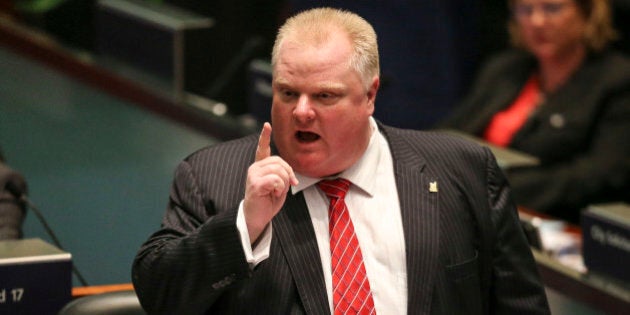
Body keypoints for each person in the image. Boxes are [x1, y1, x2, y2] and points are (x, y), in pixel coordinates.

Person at [132, 7, 550, 314]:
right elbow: (159, 295)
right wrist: (246, 223)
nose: (301, 112)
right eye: (288, 93)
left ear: (370, 95)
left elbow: (521, 305)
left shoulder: (463, 169)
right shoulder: (214, 177)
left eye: (325, 96)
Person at [438, 0, 630, 223]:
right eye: (525, 10)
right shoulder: (504, 68)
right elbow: (449, 133)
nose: (536, 22)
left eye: (552, 8)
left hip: (553, 222)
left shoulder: (616, 81)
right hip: (472, 209)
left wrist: (492, 189)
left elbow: (598, 175)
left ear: (587, 13)